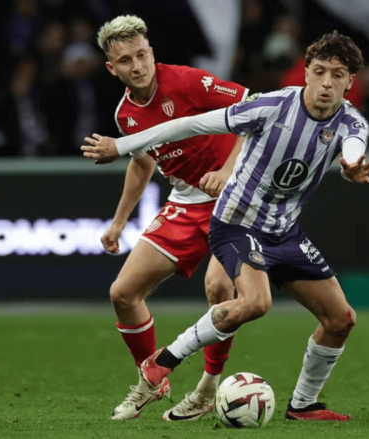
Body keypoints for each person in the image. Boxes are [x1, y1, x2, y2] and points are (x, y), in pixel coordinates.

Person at [83, 31, 369, 421]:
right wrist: (121, 147)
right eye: (319, 71)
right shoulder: (271, 106)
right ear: (305, 71)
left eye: (337, 75)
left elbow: (354, 147)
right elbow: (187, 126)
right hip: (236, 219)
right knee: (253, 301)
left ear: (349, 81)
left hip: (283, 229)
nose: (326, 83)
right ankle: (163, 363)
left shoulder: (351, 123)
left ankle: (303, 404)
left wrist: (351, 165)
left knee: (342, 320)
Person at [92, 15, 249, 421]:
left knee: (219, 288)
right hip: (185, 202)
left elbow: (252, 107)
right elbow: (142, 163)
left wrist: (230, 169)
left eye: (142, 55)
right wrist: (119, 221)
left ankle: (208, 387)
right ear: (112, 68)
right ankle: (151, 379)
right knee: (122, 293)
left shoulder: (185, 81)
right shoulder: (125, 115)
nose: (137, 66)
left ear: (152, 52)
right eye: (125, 60)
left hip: (232, 196)